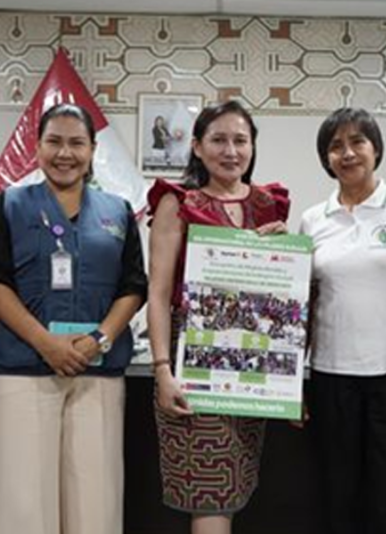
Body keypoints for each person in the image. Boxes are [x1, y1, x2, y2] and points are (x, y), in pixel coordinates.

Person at [0, 103, 147, 534]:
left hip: (98, 370)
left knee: (96, 500)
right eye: (54, 141)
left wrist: (99, 339)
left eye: (76, 143)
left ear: (93, 150)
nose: (65, 153)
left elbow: (133, 286)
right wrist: (45, 342)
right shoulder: (11, 205)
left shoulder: (118, 211)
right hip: (25, 368)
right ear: (37, 147)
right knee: (22, 502)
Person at [147, 100, 290, 534]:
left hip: (254, 363)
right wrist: (162, 370)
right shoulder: (179, 203)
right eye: (219, 140)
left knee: (237, 484)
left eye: (240, 140)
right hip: (194, 364)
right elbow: (156, 293)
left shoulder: (270, 204)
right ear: (196, 146)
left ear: (252, 147)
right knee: (211, 496)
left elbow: (283, 297)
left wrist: (284, 250)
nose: (231, 151)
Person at [299, 107, 386, 534]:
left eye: (357, 142)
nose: (347, 153)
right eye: (335, 146)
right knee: (337, 494)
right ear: (326, 159)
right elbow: (302, 304)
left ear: (375, 149)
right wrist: (288, 382)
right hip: (330, 376)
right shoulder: (312, 219)